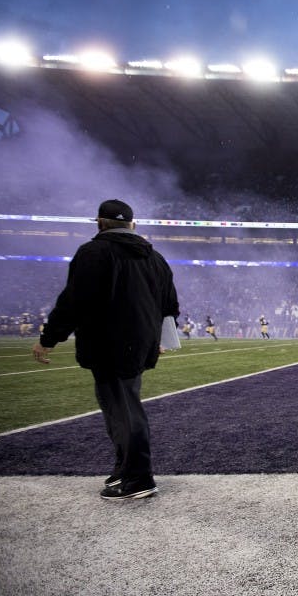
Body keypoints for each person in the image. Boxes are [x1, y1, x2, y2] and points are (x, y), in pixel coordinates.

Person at [32, 199, 179, 500]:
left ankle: (139, 478)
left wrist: (49, 338)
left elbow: (74, 301)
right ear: (133, 225)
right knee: (119, 407)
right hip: (139, 344)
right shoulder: (156, 258)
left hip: (108, 342)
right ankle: (125, 469)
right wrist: (159, 340)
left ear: (99, 222)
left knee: (123, 410)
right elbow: (169, 306)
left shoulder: (94, 253)